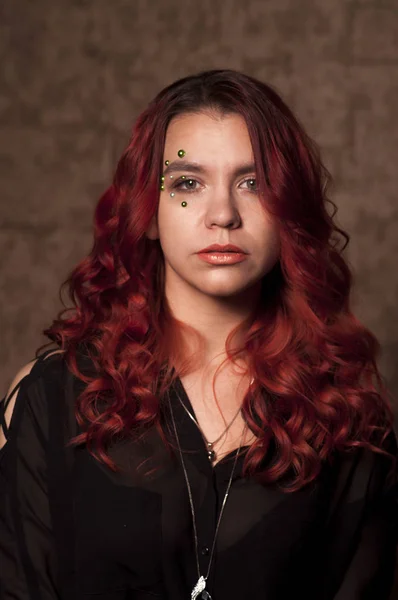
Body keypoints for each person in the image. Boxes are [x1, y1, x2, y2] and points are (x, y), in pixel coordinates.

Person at [0, 69, 397, 600]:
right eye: (188, 183)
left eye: (252, 184)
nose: (223, 215)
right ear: (149, 211)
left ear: (288, 211)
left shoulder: (349, 420)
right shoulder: (50, 399)